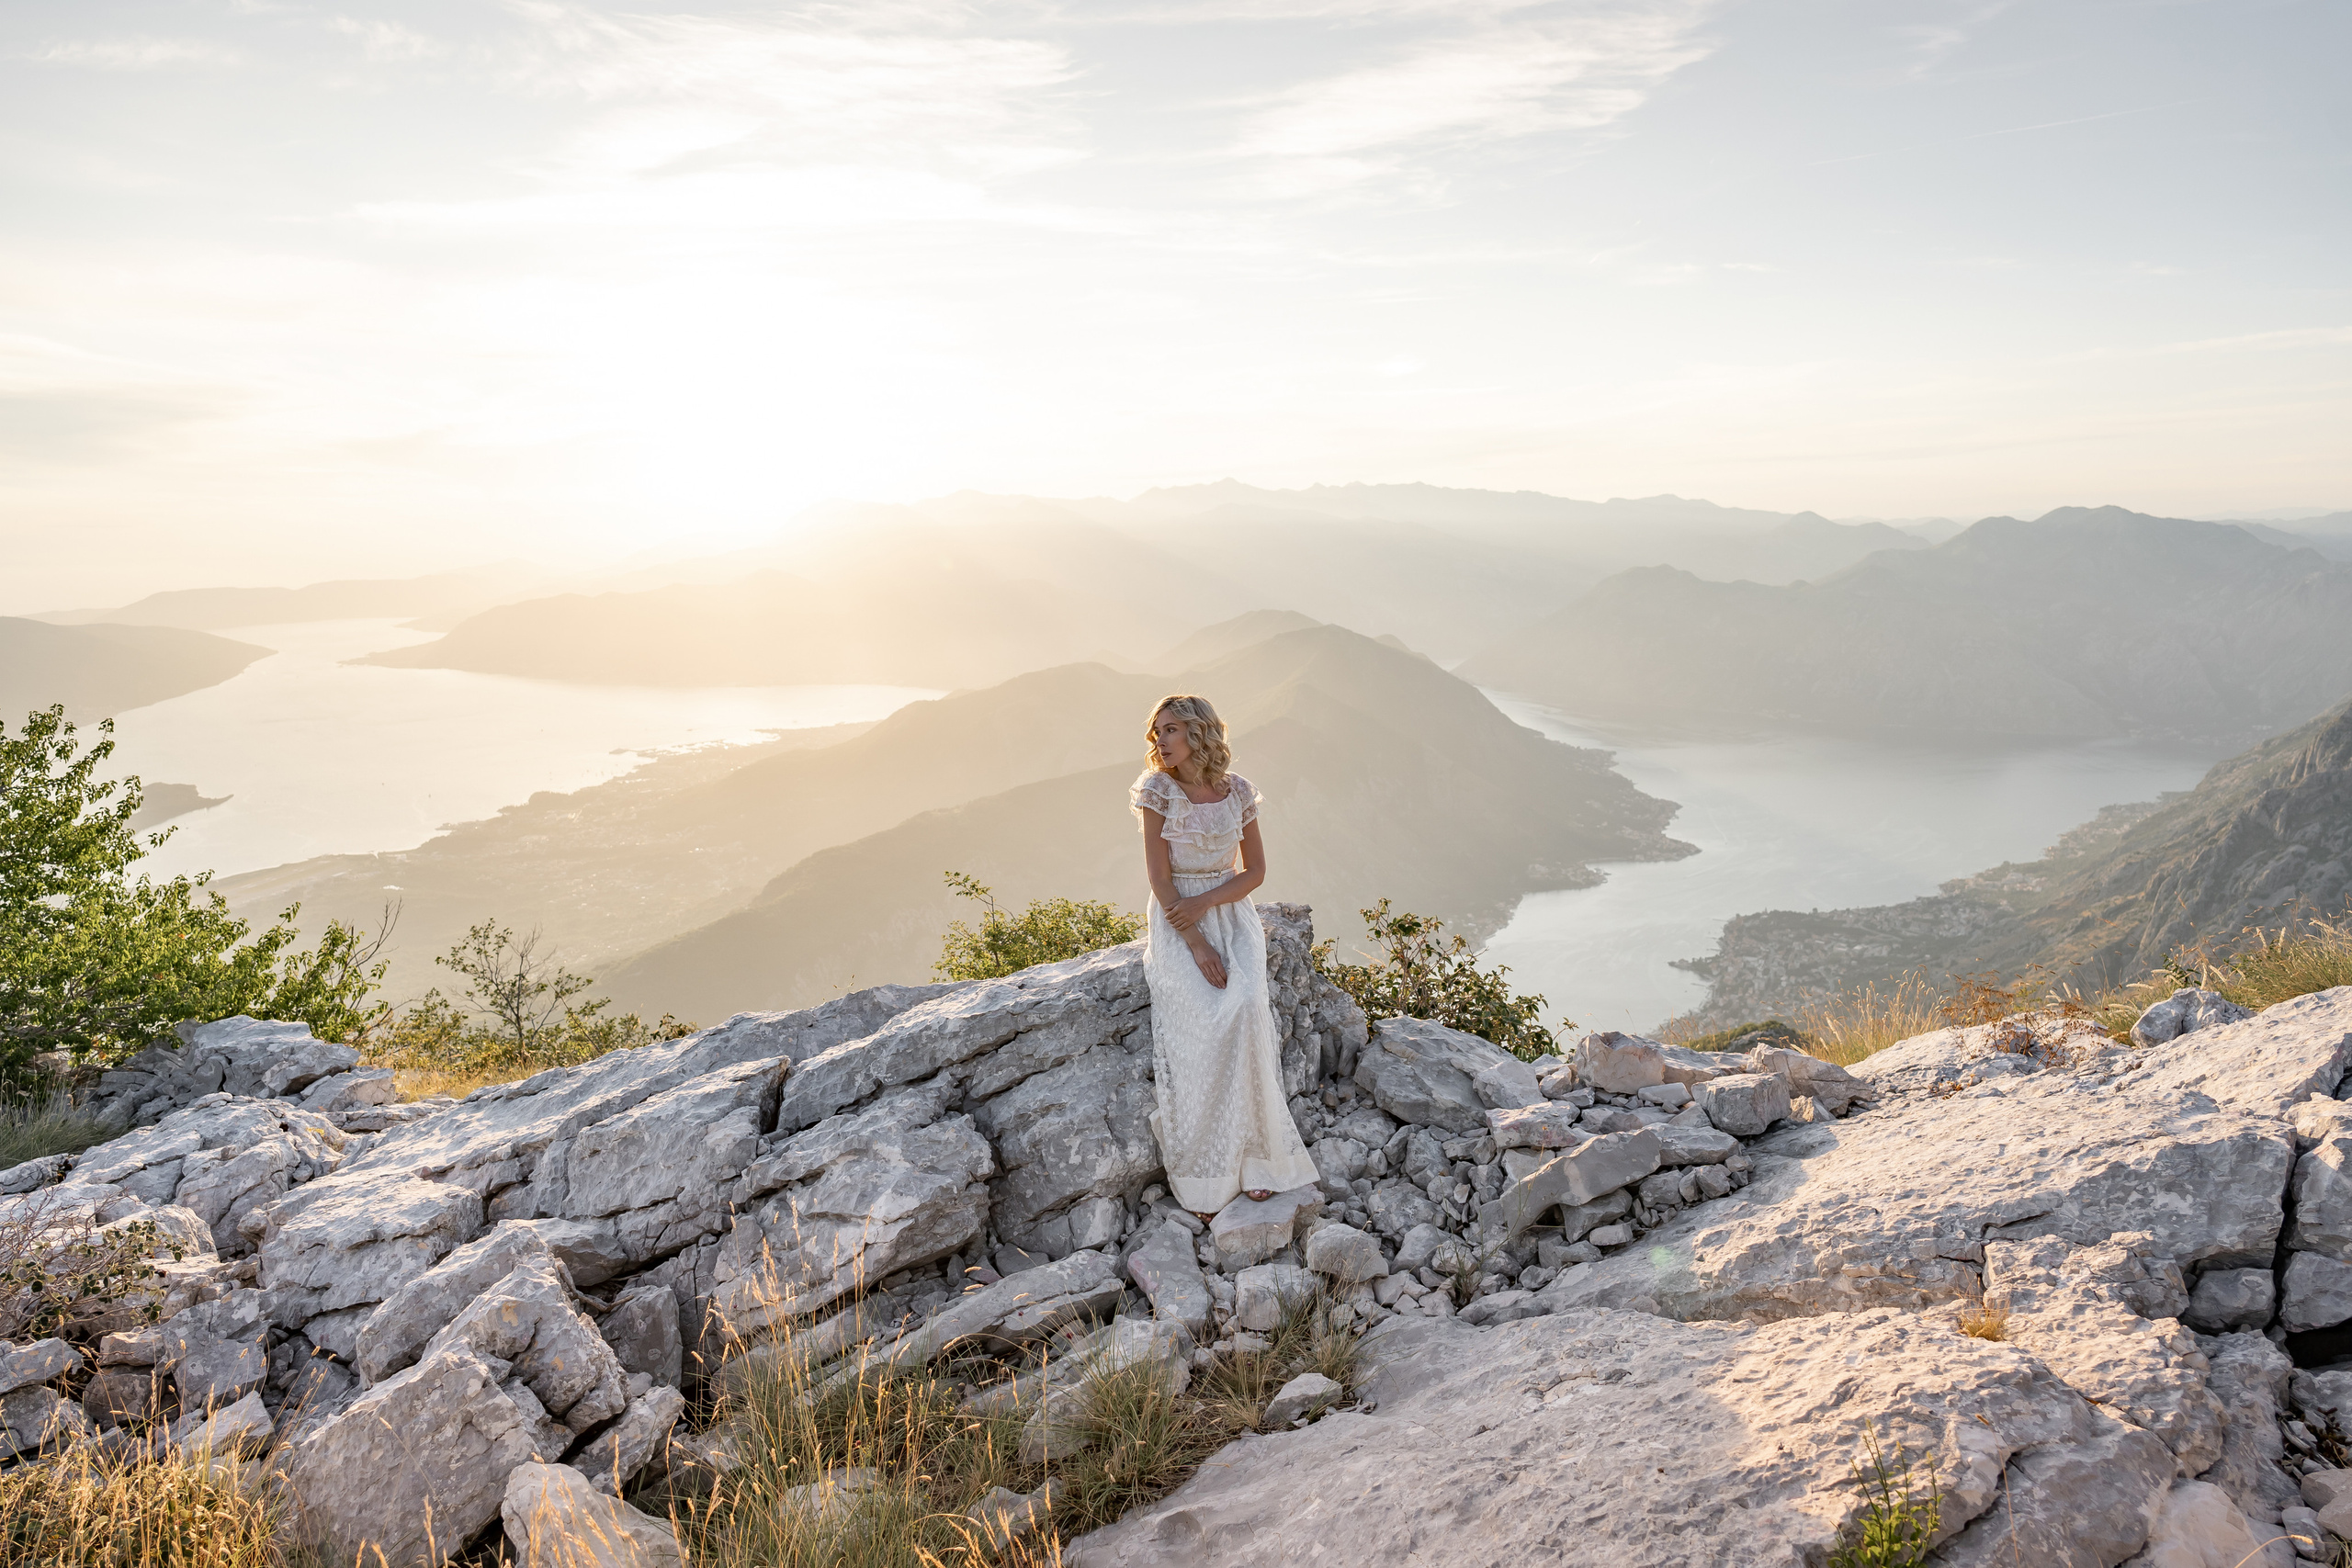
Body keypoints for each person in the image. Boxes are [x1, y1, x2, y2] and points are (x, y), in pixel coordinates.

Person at [1128, 694, 1319, 1219]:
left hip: (1233, 916)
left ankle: (1257, 1161)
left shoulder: (1237, 792)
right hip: (1176, 921)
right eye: (1156, 732)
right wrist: (1194, 938)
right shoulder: (1157, 792)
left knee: (1247, 1009)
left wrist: (1209, 905)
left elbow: (1255, 872)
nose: (1159, 741)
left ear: (1198, 732)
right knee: (1204, 1023)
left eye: (1169, 730)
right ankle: (1211, 1172)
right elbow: (1159, 879)